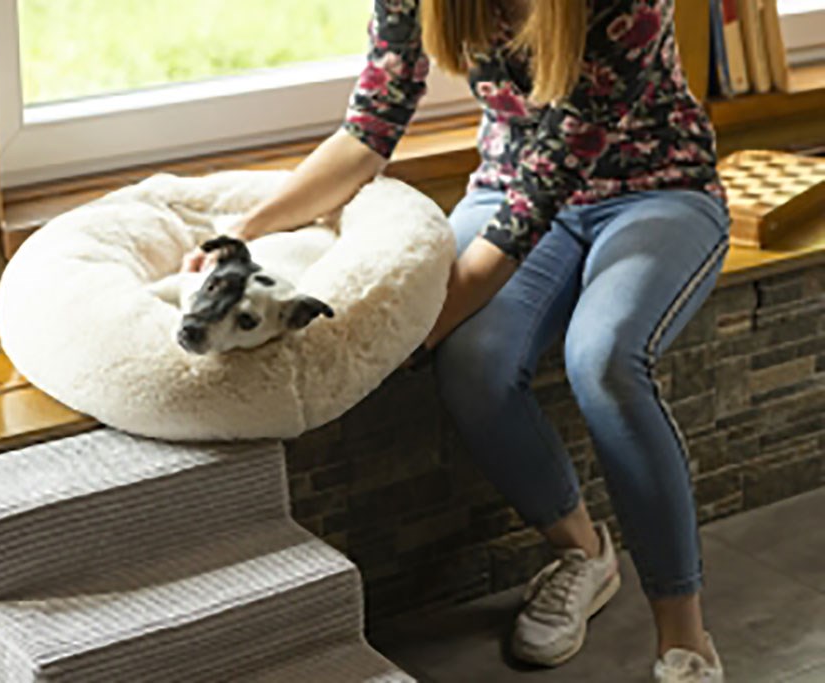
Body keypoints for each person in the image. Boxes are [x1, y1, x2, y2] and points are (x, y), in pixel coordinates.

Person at [182, 1, 729, 680]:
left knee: (605, 360)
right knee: (472, 362)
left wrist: (413, 335)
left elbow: (543, 192)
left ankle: (684, 639)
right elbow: (368, 130)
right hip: (506, 187)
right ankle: (584, 553)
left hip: (657, 190)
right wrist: (243, 232)